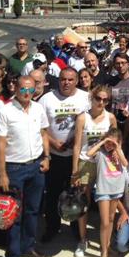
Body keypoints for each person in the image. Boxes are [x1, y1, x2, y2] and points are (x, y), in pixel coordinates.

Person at [0, 76, 50, 257]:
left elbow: (43, 134)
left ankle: (28, 246)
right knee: (13, 213)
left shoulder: (38, 108)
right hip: (14, 168)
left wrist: (47, 157)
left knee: (33, 211)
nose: (27, 93)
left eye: (30, 90)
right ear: (15, 88)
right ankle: (13, 254)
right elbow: (0, 145)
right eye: (23, 89)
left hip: (36, 167)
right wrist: (2, 174)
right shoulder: (5, 111)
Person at [38, 68, 90, 242]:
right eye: (63, 79)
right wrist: (53, 142)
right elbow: (41, 128)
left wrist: (74, 139)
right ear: (58, 80)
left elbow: (89, 124)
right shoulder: (47, 99)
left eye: (70, 79)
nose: (66, 83)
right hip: (54, 155)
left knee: (76, 194)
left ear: (76, 81)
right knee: (52, 194)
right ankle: (52, 227)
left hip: (77, 156)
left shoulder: (85, 98)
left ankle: (76, 228)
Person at [71, 85, 117, 257]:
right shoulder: (83, 118)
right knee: (83, 201)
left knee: (108, 202)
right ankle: (83, 240)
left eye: (106, 100)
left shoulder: (110, 117)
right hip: (85, 162)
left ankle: (106, 242)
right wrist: (74, 170)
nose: (102, 102)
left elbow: (114, 142)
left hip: (104, 163)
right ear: (92, 97)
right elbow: (76, 145)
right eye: (99, 98)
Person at [86, 127, 128, 257]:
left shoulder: (118, 153)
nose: (109, 145)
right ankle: (104, 253)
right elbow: (88, 153)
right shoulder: (100, 153)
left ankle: (107, 246)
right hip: (103, 190)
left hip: (116, 189)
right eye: (108, 142)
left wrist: (118, 148)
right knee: (104, 222)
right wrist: (102, 141)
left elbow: (125, 163)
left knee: (110, 219)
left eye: (113, 143)